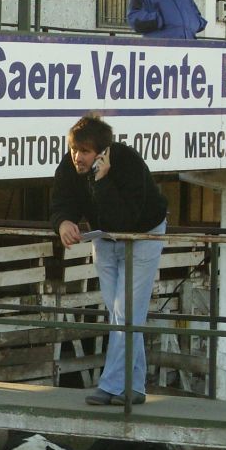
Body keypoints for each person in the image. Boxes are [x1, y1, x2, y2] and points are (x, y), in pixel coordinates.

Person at [49, 115, 168, 406]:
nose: (77, 157)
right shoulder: (70, 165)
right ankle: (135, 387)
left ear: (102, 153)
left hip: (142, 236)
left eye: (85, 152)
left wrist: (102, 182)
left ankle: (112, 384)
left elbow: (124, 220)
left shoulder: (128, 162)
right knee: (121, 313)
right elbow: (61, 198)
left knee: (125, 312)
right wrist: (63, 221)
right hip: (103, 237)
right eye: (75, 149)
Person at [127, 0, 207, 39]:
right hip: (161, 51)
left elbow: (195, 12)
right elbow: (134, 17)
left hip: (188, 48)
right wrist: (157, 20)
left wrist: (198, 23)